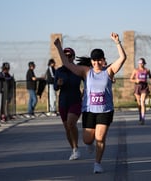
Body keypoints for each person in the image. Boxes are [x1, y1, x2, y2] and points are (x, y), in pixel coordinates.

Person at [54, 32, 126, 173]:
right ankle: (89, 144)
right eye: (94, 60)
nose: (96, 63)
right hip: (89, 110)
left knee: (100, 138)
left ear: (103, 60)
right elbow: (67, 64)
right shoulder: (86, 71)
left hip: (105, 111)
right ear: (91, 61)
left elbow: (123, 58)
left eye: (99, 60)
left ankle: (97, 164)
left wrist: (118, 42)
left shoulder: (109, 70)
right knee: (87, 140)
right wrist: (58, 47)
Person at [54, 47, 82, 161]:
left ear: (73, 57)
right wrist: (59, 84)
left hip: (75, 100)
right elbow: (55, 87)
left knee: (71, 123)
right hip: (63, 101)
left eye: (69, 56)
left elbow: (87, 80)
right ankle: (74, 149)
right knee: (67, 128)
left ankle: (76, 148)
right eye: (65, 56)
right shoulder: (59, 71)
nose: (67, 58)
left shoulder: (78, 69)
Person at [130, 58, 151, 125]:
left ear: (144, 63)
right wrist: (135, 80)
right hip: (137, 86)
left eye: (142, 63)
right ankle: (140, 115)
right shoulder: (135, 70)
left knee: (142, 102)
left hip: (144, 87)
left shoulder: (147, 70)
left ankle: (143, 118)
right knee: (139, 103)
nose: (141, 64)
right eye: (139, 63)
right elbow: (131, 79)